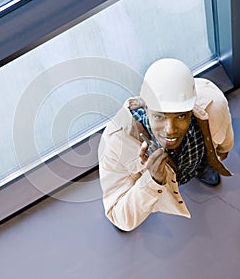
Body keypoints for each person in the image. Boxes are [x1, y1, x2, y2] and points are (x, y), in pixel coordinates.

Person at [98, 58, 234, 231]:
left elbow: (225, 138)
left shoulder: (212, 101)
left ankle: (199, 167)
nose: (170, 130)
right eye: (159, 117)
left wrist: (221, 152)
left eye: (181, 116)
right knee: (131, 214)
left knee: (200, 159)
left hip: (193, 159)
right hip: (150, 187)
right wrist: (152, 180)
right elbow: (119, 216)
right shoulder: (116, 143)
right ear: (145, 107)